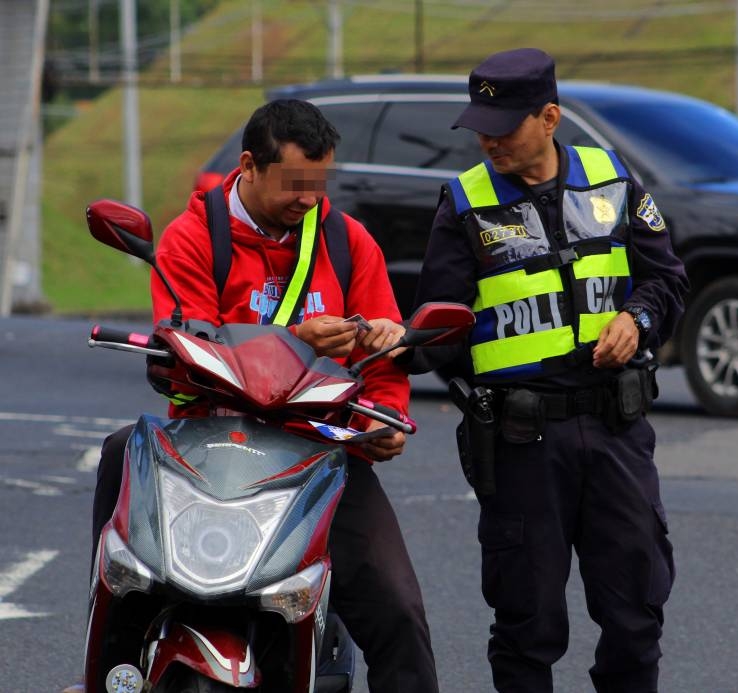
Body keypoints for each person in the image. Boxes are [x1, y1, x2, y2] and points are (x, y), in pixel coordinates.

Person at [75, 99, 438, 693]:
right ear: (247, 165)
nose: (307, 200)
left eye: (318, 186)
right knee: (122, 462)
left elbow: (383, 358)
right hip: (204, 447)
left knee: (398, 612)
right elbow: (186, 347)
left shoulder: (348, 243)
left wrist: (387, 416)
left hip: (318, 453)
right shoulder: (192, 238)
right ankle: (105, 670)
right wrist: (297, 338)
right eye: (293, 185)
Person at [402, 48, 689, 693]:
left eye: (503, 126)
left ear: (550, 117)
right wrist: (393, 343)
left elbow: (666, 280)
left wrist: (637, 319)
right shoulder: (465, 203)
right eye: (480, 126)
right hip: (522, 441)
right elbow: (438, 324)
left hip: (616, 430)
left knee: (636, 614)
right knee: (528, 624)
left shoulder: (612, 178)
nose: (488, 139)